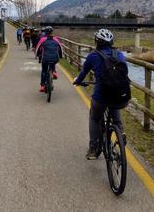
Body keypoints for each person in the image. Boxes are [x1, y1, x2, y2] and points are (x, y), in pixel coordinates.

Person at [72, 29, 130, 160]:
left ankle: (93, 148)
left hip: (101, 96)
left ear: (96, 42)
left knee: (94, 118)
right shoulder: (120, 54)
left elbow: (83, 73)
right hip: (121, 95)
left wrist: (78, 81)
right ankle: (120, 131)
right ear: (111, 42)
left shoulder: (93, 56)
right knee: (114, 105)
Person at [35, 26, 63, 93]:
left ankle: (42, 86)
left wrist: (37, 55)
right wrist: (61, 56)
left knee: (44, 71)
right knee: (53, 62)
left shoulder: (42, 39)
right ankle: (53, 71)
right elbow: (60, 48)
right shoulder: (56, 39)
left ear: (45, 32)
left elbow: (38, 48)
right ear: (52, 32)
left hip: (45, 58)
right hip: (55, 58)